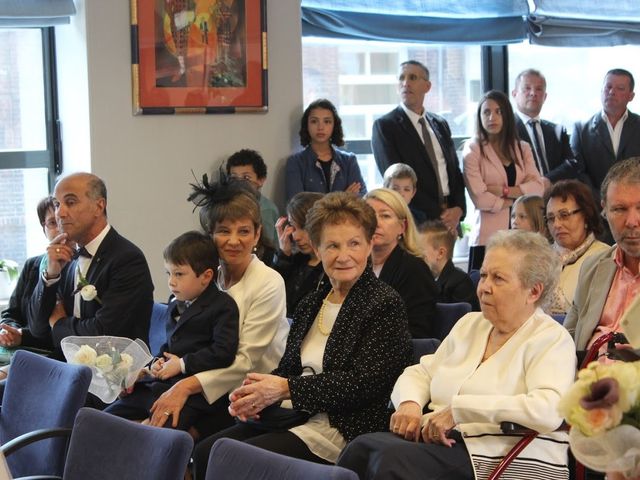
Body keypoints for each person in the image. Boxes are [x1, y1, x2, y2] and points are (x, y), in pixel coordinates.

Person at [192, 192, 412, 479]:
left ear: (369, 245)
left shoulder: (384, 303)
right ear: (318, 251)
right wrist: (257, 397)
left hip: (343, 426)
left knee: (236, 461)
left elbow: (364, 385)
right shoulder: (312, 302)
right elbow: (288, 369)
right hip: (295, 414)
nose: (343, 255)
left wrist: (285, 390)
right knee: (205, 451)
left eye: (354, 244)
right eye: (332, 245)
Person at [337, 230, 576, 480]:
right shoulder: (470, 324)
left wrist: (457, 411)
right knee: (360, 449)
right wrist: (410, 403)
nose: (484, 288)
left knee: (390, 462)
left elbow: (548, 409)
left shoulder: (551, 338)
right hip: (440, 441)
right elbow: (422, 372)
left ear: (534, 291)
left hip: (498, 453)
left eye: (498, 279)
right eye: (483, 275)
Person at [146, 179, 289, 440]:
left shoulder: (269, 282)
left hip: (247, 389)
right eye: (224, 231)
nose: (233, 241)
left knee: (160, 434)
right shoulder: (206, 277)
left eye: (244, 232)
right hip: (200, 378)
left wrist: (185, 387)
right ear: (210, 235)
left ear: (257, 234)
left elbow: (245, 361)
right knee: (132, 418)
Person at [104, 231, 239, 432]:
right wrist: (156, 363)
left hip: (192, 394)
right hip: (159, 384)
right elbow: (171, 344)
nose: (171, 282)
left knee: (155, 431)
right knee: (103, 419)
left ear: (206, 276)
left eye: (179, 274)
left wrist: (182, 364)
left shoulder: (223, 306)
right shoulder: (176, 300)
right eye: (169, 273)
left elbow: (223, 352)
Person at [27, 173, 154, 357]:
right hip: (68, 365)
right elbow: (38, 330)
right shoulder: (67, 258)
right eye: (57, 204)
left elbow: (103, 334)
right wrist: (51, 275)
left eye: (70, 202)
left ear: (99, 206)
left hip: (113, 374)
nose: (60, 213)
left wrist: (59, 324)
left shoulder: (127, 259)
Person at [372, 60, 466, 233]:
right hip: (415, 219)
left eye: (413, 77)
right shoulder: (385, 126)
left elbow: (454, 171)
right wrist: (439, 214)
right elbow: (396, 181)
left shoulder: (440, 123)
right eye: (401, 78)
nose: (405, 83)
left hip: (450, 218)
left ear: (427, 86)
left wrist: (459, 209)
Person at [463, 90, 544, 270]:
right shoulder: (472, 149)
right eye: (487, 112)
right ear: (480, 116)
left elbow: (538, 188)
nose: (492, 117)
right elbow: (480, 198)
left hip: (522, 235)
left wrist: (503, 192)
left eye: (499, 111)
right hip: (487, 238)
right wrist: (517, 197)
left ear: (507, 115)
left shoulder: (522, 148)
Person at [565, 157, 640, 350]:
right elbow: (566, 341)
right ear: (604, 211)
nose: (632, 221)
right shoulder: (592, 268)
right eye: (619, 209)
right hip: (585, 375)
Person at [365, 188, 439, 338]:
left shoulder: (415, 269)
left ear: (402, 227)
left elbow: (418, 331)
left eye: (385, 216)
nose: (376, 223)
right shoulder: (356, 266)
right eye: (369, 215)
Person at [0, 196, 60, 352]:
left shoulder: (82, 266)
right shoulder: (32, 265)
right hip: (20, 348)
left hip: (51, 354)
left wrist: (22, 336)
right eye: (52, 223)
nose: (59, 228)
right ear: (44, 228)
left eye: (63, 221)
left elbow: (66, 330)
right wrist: (9, 331)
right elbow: (11, 312)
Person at [572, 69, 640, 203]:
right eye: (608, 87)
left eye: (620, 88)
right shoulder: (581, 129)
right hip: (596, 207)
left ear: (631, 96)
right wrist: (602, 199)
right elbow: (578, 171)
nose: (611, 92)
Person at [544, 180, 609, 315]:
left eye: (564, 215)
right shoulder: (540, 258)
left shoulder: (605, 258)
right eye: (551, 218)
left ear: (586, 215)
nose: (556, 224)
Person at [285, 99, 366, 202]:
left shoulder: (349, 161)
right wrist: (344, 197)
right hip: (310, 219)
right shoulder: (296, 162)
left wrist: (319, 203)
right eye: (314, 121)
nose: (320, 127)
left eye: (327, 121)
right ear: (307, 125)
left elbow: (361, 199)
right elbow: (297, 207)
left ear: (334, 126)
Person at [511, 69, 578, 188]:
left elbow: (571, 164)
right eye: (527, 88)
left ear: (545, 96)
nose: (533, 93)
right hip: (521, 199)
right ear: (514, 94)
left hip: (555, 194)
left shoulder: (556, 131)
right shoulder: (506, 131)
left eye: (539, 89)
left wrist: (547, 180)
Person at [272, 192, 327, 316]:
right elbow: (271, 294)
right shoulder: (294, 261)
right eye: (293, 227)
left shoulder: (333, 268)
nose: (296, 236)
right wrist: (283, 255)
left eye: (304, 227)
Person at [417, 220, 478, 310]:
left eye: (420, 250)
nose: (416, 255)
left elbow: (464, 320)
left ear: (441, 253)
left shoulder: (460, 283)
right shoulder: (423, 278)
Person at [226, 148, 279, 245]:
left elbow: (267, 245)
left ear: (261, 180)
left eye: (246, 178)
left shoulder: (265, 209)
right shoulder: (228, 204)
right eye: (234, 178)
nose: (239, 183)